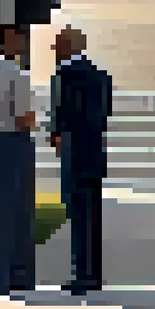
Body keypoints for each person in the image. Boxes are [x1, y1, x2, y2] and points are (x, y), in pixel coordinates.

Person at [48, 26, 113, 295]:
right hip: (94, 151)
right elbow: (104, 114)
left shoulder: (63, 75)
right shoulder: (101, 76)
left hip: (74, 152)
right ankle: (93, 274)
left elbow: (61, 115)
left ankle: (81, 274)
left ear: (67, 47)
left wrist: (56, 137)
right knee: (93, 216)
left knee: (77, 215)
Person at [0, 23, 38, 295]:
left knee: (4, 209)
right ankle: (20, 274)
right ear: (4, 42)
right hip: (16, 140)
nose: (22, 43)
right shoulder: (17, 73)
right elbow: (23, 116)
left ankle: (3, 273)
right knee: (21, 210)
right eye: (17, 39)